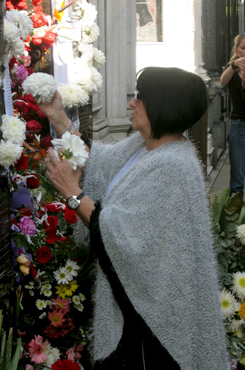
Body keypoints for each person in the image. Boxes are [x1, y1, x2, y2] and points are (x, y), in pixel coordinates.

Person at [40, 67, 228, 370]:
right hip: (138, 308)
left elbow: (119, 233)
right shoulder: (145, 147)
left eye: (140, 97)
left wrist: (72, 192)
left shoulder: (173, 166)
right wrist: (58, 117)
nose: (131, 103)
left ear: (163, 105)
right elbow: (99, 162)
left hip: (153, 321)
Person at [220, 33, 245, 198]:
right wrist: (234, 66)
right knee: (237, 179)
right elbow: (223, 81)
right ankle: (236, 221)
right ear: (236, 50)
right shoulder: (232, 68)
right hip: (238, 125)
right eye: (243, 48)